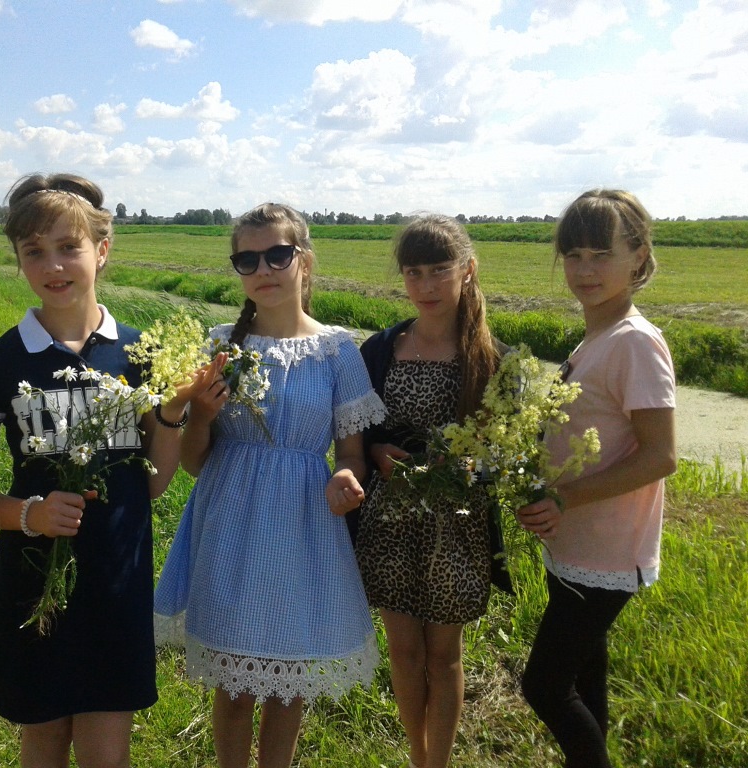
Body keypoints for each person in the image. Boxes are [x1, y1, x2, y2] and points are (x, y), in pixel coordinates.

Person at [0, 173, 218, 768]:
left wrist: (174, 410)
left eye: (68, 247)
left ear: (101, 251)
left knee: (109, 750)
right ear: (18, 259)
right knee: (43, 740)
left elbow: (151, 484)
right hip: (34, 581)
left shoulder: (141, 352)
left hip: (116, 579)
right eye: (34, 251)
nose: (53, 265)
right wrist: (28, 514)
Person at [153, 202, 387, 768]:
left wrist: (345, 477)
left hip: (302, 526)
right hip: (230, 525)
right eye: (248, 259)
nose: (264, 269)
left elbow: (350, 453)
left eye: (278, 255)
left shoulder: (337, 350)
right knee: (233, 690)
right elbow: (195, 463)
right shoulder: (221, 346)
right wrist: (202, 416)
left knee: (289, 682)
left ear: (304, 259)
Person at [517, 189, 677, 768]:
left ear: (638, 257)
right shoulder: (598, 337)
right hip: (578, 544)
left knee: (545, 685)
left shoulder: (634, 342)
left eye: (601, 254)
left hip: (609, 551)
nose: (585, 270)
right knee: (586, 679)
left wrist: (562, 496)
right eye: (573, 255)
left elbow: (661, 456)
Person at [353, 214, 511, 768]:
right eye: (413, 272)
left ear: (468, 270)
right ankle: (416, 754)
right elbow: (355, 430)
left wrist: (471, 465)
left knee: (444, 657)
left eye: (439, 270)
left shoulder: (492, 359)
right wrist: (376, 452)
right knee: (403, 651)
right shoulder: (381, 349)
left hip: (458, 528)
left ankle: (434, 762)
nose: (425, 285)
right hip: (389, 522)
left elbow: (510, 453)